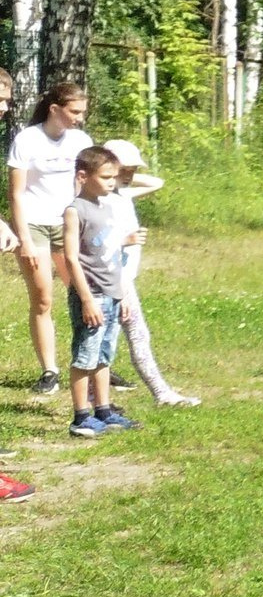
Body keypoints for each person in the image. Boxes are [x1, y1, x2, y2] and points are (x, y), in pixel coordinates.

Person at [96, 139, 201, 406]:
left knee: (113, 339)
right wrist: (121, 289)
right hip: (114, 280)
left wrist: (124, 176)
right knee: (120, 338)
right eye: (125, 168)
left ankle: (98, 399)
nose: (129, 174)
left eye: (133, 169)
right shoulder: (103, 201)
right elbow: (102, 247)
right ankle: (159, 394)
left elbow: (156, 182)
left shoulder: (121, 194)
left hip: (122, 279)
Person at [9, 80, 92, 395]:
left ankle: (91, 363)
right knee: (43, 298)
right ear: (54, 109)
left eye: (82, 112)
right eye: (75, 112)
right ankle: (50, 371)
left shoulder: (80, 140)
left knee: (83, 294)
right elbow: (16, 194)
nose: (79, 118)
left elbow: (86, 185)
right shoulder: (27, 140)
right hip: (34, 225)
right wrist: (25, 240)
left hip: (68, 224)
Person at [61, 146, 138, 439]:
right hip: (91, 295)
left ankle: (103, 410)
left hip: (112, 293)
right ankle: (81, 417)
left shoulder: (107, 208)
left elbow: (113, 253)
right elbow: (71, 258)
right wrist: (86, 300)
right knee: (85, 356)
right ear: (83, 176)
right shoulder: (75, 210)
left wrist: (122, 294)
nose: (112, 182)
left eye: (114, 177)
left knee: (104, 355)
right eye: (106, 177)